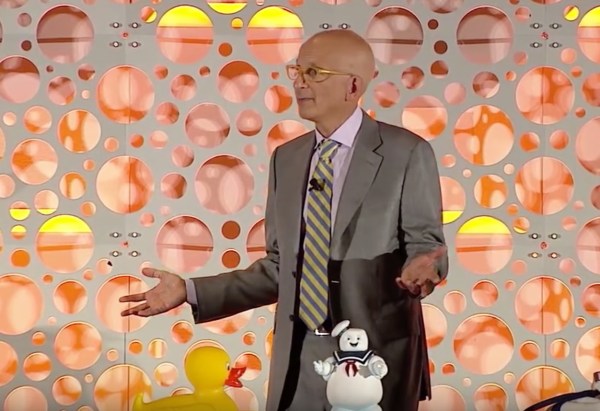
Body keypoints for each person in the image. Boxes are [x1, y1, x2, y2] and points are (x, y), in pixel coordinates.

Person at [120, 28, 448, 411]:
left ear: (353, 85)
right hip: (298, 360)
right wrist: (190, 291)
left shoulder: (406, 152)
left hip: (372, 360)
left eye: (314, 73)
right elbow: (281, 268)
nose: (299, 83)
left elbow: (428, 247)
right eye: (297, 71)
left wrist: (425, 269)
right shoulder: (287, 159)